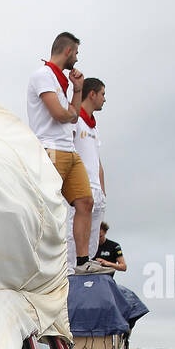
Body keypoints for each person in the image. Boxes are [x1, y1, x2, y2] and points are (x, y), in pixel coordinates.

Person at [25, 31, 98, 274]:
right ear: (67, 51)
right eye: (76, 53)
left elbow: (72, 115)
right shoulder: (43, 75)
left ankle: (82, 260)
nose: (76, 59)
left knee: (86, 202)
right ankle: (42, 261)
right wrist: (69, 112)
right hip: (50, 149)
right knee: (50, 208)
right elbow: (60, 114)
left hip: (68, 149)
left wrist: (77, 91)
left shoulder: (63, 82)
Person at [72, 76, 106, 265]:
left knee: (92, 236)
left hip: (96, 189)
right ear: (92, 94)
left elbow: (97, 160)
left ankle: (87, 264)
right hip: (80, 187)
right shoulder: (75, 120)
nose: (104, 99)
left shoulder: (94, 127)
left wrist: (102, 189)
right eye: (102, 94)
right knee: (74, 234)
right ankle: (73, 268)